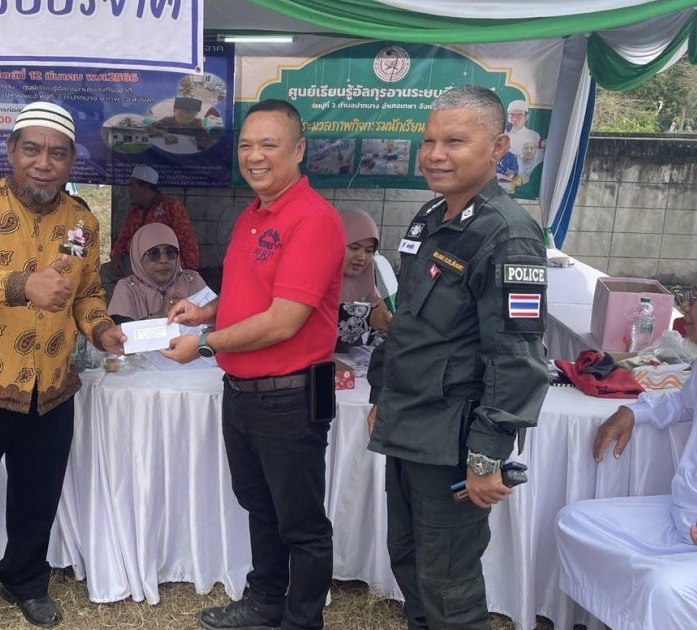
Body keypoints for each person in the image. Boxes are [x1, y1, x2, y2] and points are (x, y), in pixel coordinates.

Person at [0, 101, 125, 630]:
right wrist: (21, 285)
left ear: (71, 160)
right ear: (11, 151)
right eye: (32, 150)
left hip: (51, 386)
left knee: (37, 499)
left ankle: (24, 578)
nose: (43, 163)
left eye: (57, 154)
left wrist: (100, 327)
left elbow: (87, 291)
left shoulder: (81, 221)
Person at [365, 85, 549, 629]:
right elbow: (407, 322)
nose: (435, 154)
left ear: (497, 148)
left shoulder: (508, 233)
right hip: (410, 423)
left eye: (454, 142)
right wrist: (381, 393)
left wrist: (487, 454)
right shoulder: (429, 216)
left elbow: (517, 355)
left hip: (453, 437)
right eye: (429, 141)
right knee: (409, 560)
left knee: (449, 583)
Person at [161, 99, 345, 630]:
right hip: (243, 392)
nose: (255, 156)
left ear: (299, 150)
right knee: (259, 505)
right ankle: (265, 601)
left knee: (301, 522)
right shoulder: (253, 214)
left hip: (292, 395)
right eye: (246, 145)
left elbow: (284, 321)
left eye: (269, 144)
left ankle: (302, 620)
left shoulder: (313, 220)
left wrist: (204, 343)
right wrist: (205, 311)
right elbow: (252, 295)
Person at [556, 250, 697, 630]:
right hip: (685, 519)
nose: (685, 307)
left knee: (667, 589)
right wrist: (633, 412)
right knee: (575, 522)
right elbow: (681, 403)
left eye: (696, 297)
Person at [106, 164, 200, 288]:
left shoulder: (172, 208)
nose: (129, 190)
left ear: (144, 188)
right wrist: (116, 256)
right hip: (136, 264)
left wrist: (190, 273)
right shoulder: (136, 212)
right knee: (105, 273)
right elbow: (124, 237)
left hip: (163, 265)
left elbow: (187, 242)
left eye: (132, 186)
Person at [108, 223, 209, 323]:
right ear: (138, 257)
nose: (164, 260)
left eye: (170, 252)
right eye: (154, 253)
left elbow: (212, 322)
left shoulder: (192, 280)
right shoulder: (127, 288)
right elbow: (121, 330)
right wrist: (160, 315)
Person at [336, 208, 391, 348]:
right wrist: (365, 316)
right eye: (354, 247)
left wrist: (380, 315)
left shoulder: (369, 286)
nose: (362, 257)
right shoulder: (311, 281)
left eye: (369, 250)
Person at [149, 96, 215, 150]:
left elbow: (205, 138)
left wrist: (202, 144)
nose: (190, 116)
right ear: (174, 110)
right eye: (186, 111)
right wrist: (164, 134)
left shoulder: (197, 122)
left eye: (194, 113)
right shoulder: (168, 120)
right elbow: (150, 129)